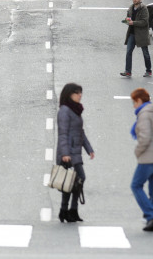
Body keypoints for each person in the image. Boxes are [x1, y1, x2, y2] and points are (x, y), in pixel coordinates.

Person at [129, 88, 153, 232]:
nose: (134, 106)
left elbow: (145, 137)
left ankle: (152, 215)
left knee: (136, 186)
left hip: (149, 157)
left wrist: (137, 152)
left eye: (134, 102)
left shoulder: (144, 115)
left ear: (139, 101)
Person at [56, 83, 95, 223]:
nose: (80, 95)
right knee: (75, 180)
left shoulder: (75, 110)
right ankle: (68, 210)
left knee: (74, 182)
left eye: (81, 92)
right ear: (69, 94)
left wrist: (89, 149)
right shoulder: (65, 111)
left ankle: (68, 211)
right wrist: (65, 153)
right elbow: (62, 133)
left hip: (75, 152)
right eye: (77, 93)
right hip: (68, 153)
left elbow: (81, 133)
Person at [121, 0, 152, 78]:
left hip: (141, 35)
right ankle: (128, 71)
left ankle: (148, 70)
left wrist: (133, 23)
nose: (135, 0)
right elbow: (128, 18)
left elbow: (145, 22)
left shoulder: (144, 8)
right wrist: (127, 21)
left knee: (145, 53)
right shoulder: (131, 8)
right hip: (132, 33)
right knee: (128, 52)